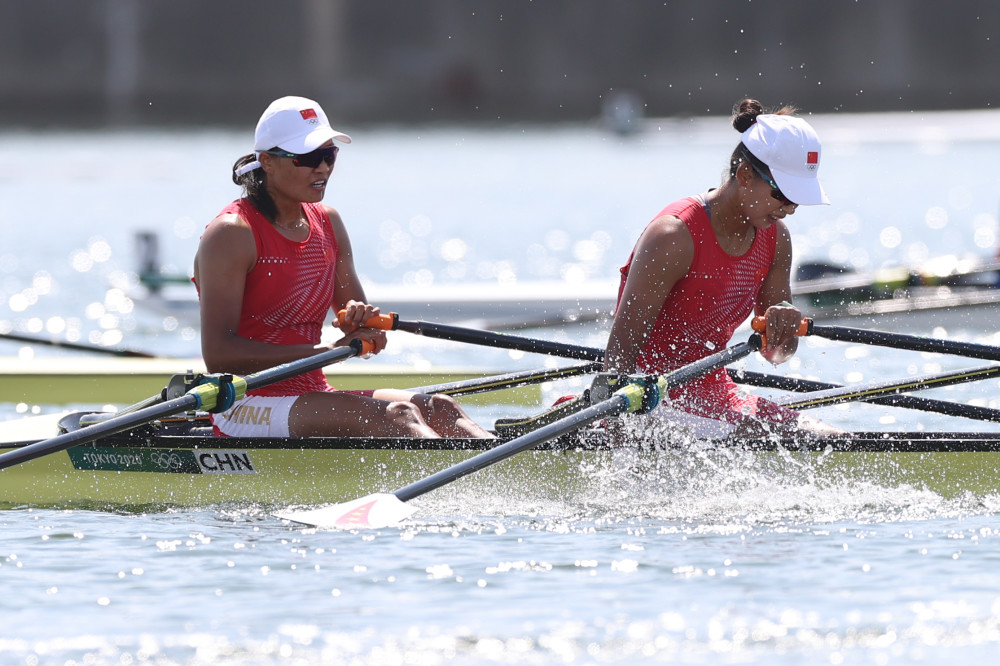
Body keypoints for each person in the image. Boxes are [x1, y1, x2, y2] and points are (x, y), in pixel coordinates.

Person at [192, 95, 492, 439]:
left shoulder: (328, 223)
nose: (322, 168)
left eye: (328, 154)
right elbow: (219, 355)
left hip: (311, 390)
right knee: (400, 416)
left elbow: (364, 331)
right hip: (246, 402)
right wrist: (326, 352)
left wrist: (362, 326)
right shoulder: (232, 233)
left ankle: (510, 476)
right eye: (307, 157)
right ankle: (466, 489)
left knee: (441, 407)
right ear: (267, 162)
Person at [603, 98, 840, 438]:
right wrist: (616, 436)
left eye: (797, 199)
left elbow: (777, 355)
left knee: (833, 439)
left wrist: (784, 324)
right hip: (648, 396)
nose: (790, 209)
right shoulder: (673, 236)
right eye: (783, 195)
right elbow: (619, 357)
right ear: (745, 175)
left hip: (714, 394)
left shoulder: (776, 240)